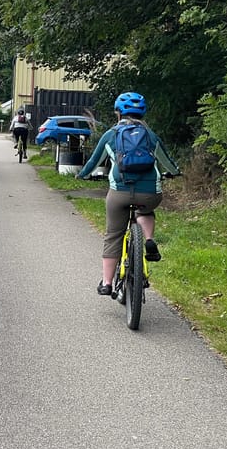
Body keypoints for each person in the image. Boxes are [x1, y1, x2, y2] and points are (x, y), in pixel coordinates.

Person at [76, 92, 181, 296]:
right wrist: (175, 172)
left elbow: (93, 161)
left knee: (114, 234)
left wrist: (83, 175)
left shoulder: (111, 135)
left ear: (118, 113)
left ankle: (106, 283)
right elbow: (167, 161)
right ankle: (148, 239)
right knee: (146, 211)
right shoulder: (150, 136)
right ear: (143, 114)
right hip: (150, 192)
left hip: (120, 193)